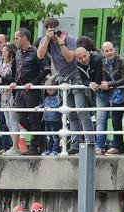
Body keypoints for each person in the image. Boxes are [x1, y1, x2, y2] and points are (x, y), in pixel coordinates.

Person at [38, 17, 93, 155]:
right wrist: (46, 39)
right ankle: (75, 144)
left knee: (81, 111)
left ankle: (90, 142)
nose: (52, 32)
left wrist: (61, 43)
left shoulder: (69, 39)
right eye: (49, 29)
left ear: (58, 27)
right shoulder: (47, 41)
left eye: (54, 28)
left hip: (76, 76)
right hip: (63, 79)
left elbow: (70, 58)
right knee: (71, 114)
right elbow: (40, 55)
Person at [11, 28, 49, 155]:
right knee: (21, 118)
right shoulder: (17, 53)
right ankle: (40, 137)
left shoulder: (36, 52)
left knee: (33, 117)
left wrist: (33, 83)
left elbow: (45, 70)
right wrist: (14, 82)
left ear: (25, 38)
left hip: (32, 90)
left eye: (17, 38)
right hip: (20, 89)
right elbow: (17, 70)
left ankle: (34, 146)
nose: (15, 40)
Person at [100, 41, 124, 155]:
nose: (109, 52)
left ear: (115, 49)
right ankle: (120, 148)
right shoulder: (103, 62)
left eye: (111, 50)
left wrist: (108, 84)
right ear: (103, 52)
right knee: (115, 123)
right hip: (113, 97)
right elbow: (104, 77)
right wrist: (103, 83)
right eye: (106, 51)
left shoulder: (123, 61)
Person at [76, 45, 105, 154]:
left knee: (102, 118)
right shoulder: (77, 65)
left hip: (103, 91)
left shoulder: (97, 59)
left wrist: (93, 83)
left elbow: (98, 78)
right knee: (84, 113)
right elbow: (81, 79)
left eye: (84, 56)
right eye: (80, 58)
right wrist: (90, 83)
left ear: (88, 53)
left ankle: (100, 145)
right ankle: (93, 144)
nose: (84, 59)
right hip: (91, 90)